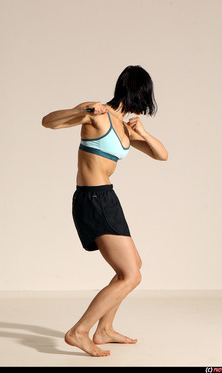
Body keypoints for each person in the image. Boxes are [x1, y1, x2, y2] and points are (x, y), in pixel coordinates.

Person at [41, 65, 168, 357]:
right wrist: (84, 109)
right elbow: (48, 122)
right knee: (131, 275)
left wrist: (143, 133)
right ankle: (79, 331)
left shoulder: (123, 127)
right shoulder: (97, 114)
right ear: (138, 91)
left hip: (106, 197)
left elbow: (162, 155)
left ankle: (104, 329)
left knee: (133, 264)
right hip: (93, 197)